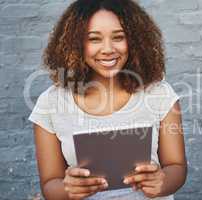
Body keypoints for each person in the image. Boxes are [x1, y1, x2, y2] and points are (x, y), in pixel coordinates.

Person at [28, 0, 187, 199]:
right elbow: (50, 184)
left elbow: (177, 167)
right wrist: (68, 189)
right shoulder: (50, 103)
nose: (108, 49)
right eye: (94, 39)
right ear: (75, 44)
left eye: (119, 37)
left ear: (135, 41)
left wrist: (162, 181)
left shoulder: (159, 94)